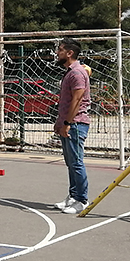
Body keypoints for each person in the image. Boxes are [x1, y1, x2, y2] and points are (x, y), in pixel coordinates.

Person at [52, 38, 91, 215]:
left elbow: (77, 100)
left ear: (69, 53)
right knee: (70, 163)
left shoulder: (76, 73)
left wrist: (67, 123)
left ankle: (82, 200)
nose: (57, 53)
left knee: (76, 162)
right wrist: (60, 122)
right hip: (67, 123)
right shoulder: (69, 72)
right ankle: (73, 196)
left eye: (60, 50)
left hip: (76, 124)